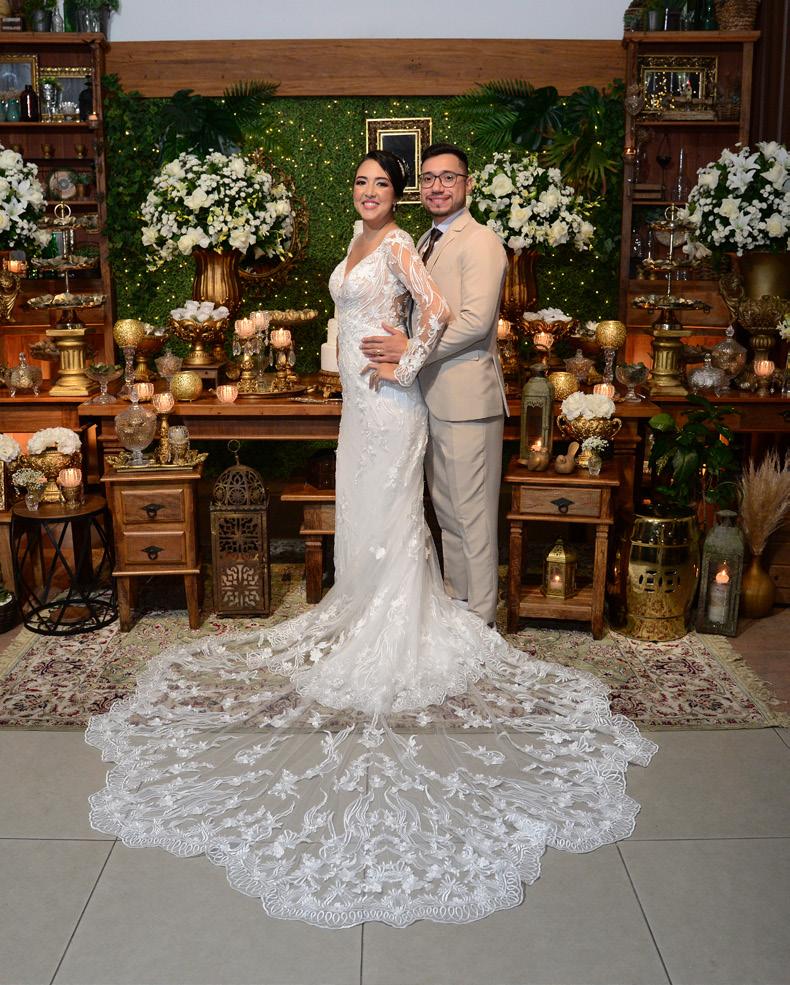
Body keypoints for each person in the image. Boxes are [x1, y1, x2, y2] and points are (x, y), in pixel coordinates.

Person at [86, 150, 656, 930]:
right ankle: (368, 610)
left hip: (395, 401)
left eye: (383, 183)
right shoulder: (369, 240)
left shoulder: (407, 243)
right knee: (372, 511)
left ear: (405, 192)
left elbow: (446, 315)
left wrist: (406, 360)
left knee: (422, 514)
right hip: (360, 404)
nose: (371, 192)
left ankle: (443, 626)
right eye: (362, 182)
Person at [360, 142, 507, 627]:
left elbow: (475, 323)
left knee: (472, 516)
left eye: (448, 177)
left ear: (468, 184)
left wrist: (411, 352)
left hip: (467, 400)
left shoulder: (480, 240)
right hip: (431, 396)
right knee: (447, 512)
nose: (437, 187)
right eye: (428, 178)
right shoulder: (425, 240)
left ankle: (481, 620)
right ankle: (459, 608)